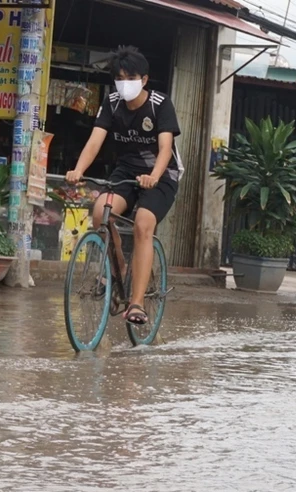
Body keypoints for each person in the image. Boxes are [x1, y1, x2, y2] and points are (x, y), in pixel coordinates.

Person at [65, 46, 182, 325]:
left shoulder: (159, 104)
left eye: (130, 77)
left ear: (144, 79)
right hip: (126, 171)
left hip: (162, 174)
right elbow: (95, 139)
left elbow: (166, 148)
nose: (124, 82)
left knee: (143, 223)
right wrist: (78, 170)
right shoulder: (112, 102)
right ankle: (119, 269)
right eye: (119, 77)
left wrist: (154, 175)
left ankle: (137, 303)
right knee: (99, 212)